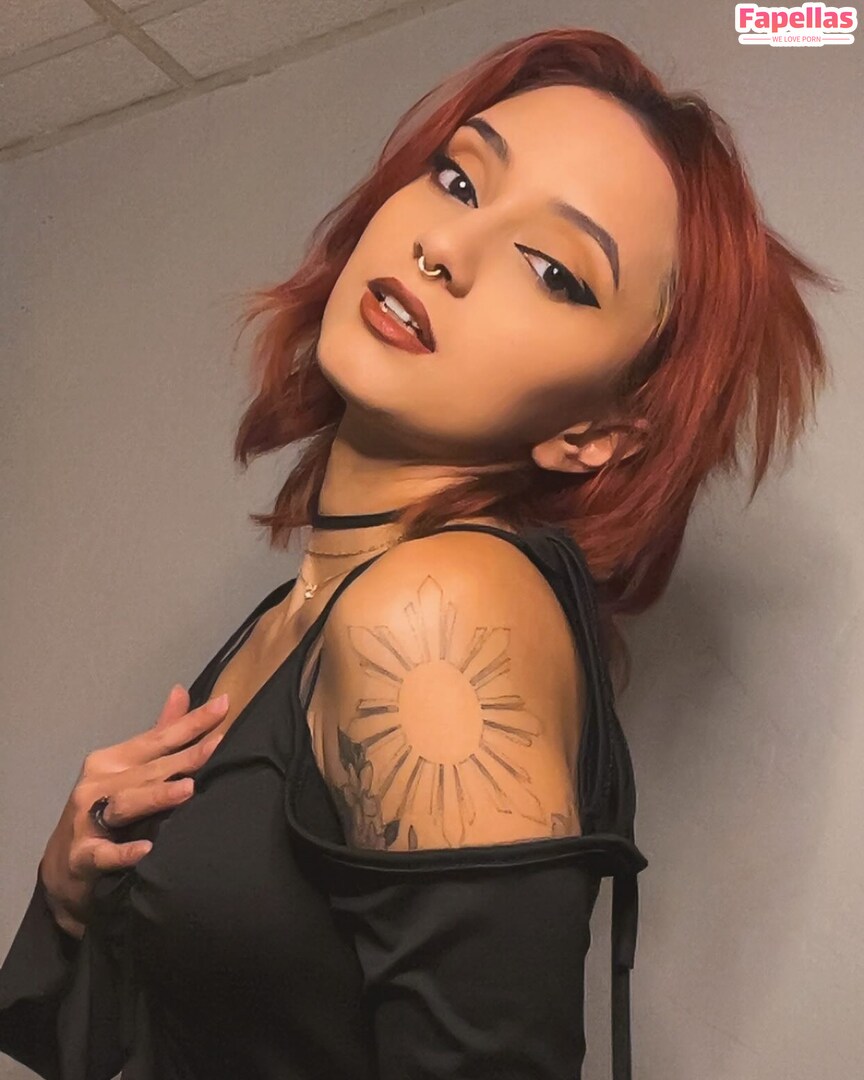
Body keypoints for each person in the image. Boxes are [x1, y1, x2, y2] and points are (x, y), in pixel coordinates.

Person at [0, 25, 834, 1080]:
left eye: (552, 269)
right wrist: (71, 891)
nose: (446, 247)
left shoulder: (437, 609)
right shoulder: (296, 616)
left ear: (596, 432)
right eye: (459, 179)